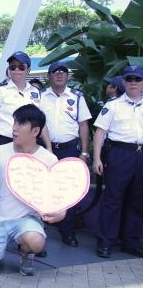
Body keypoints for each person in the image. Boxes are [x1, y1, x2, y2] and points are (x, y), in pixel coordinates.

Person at [0, 104, 65, 276]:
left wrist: (60, 213)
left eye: (21, 124)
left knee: (35, 242)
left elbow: (58, 197)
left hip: (26, 219)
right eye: (14, 123)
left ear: (35, 131)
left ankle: (26, 253)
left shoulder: (49, 159)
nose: (14, 128)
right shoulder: (1, 151)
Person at [93, 65, 143, 258]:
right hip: (119, 154)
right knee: (112, 200)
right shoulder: (113, 105)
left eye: (137, 80)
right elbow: (100, 132)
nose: (133, 83)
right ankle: (105, 242)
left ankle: (131, 241)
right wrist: (97, 158)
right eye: (129, 79)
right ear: (123, 82)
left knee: (137, 200)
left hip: (140, 155)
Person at [41, 61, 92, 247]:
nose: (59, 74)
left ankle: (67, 231)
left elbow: (83, 125)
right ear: (49, 76)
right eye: (55, 72)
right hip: (45, 149)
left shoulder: (77, 97)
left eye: (63, 72)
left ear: (67, 76)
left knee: (68, 190)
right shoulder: (40, 97)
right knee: (42, 189)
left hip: (70, 148)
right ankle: (40, 229)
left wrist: (85, 152)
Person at [0, 51, 52, 151]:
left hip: (29, 143)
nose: (16, 70)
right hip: (4, 141)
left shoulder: (36, 92)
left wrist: (49, 147)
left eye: (21, 67)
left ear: (28, 70)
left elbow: (41, 122)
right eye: (12, 67)